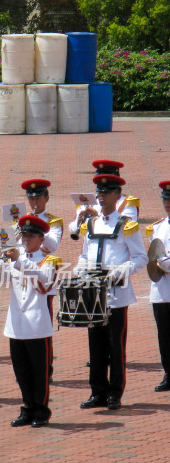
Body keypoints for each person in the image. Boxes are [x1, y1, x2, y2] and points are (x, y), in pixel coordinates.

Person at [75, 172, 148, 410]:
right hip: (94, 294)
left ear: (117, 195)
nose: (101, 197)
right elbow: (85, 254)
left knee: (115, 345)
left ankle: (115, 393)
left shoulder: (127, 225)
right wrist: (80, 269)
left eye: (106, 193)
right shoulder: (90, 224)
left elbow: (140, 258)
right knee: (95, 345)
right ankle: (97, 392)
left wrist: (118, 271)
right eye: (99, 193)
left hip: (116, 294)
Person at [0, 216, 61, 428]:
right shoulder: (16, 258)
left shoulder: (49, 260)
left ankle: (41, 410)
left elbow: (44, 281)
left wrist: (18, 261)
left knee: (39, 371)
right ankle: (27, 407)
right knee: (21, 371)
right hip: (16, 323)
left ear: (42, 239)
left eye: (31, 236)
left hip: (37, 323)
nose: (25, 239)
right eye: (23, 235)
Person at [22, 178, 63, 378]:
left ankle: (46, 367)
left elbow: (52, 246)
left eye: (38, 196)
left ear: (46, 197)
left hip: (42, 273)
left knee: (42, 325)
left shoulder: (53, 222)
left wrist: (37, 227)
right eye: (31, 197)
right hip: (21, 278)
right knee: (23, 324)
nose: (34, 201)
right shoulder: (21, 219)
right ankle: (28, 366)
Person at [69, 160, 140, 239]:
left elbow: (126, 229)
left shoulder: (127, 202)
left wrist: (97, 218)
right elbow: (73, 230)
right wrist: (78, 222)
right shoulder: (89, 200)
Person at [146, 181, 170, 392]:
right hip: (161, 289)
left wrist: (165, 262)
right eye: (165, 199)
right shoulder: (159, 226)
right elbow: (153, 253)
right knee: (164, 334)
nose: (168, 203)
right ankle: (168, 373)